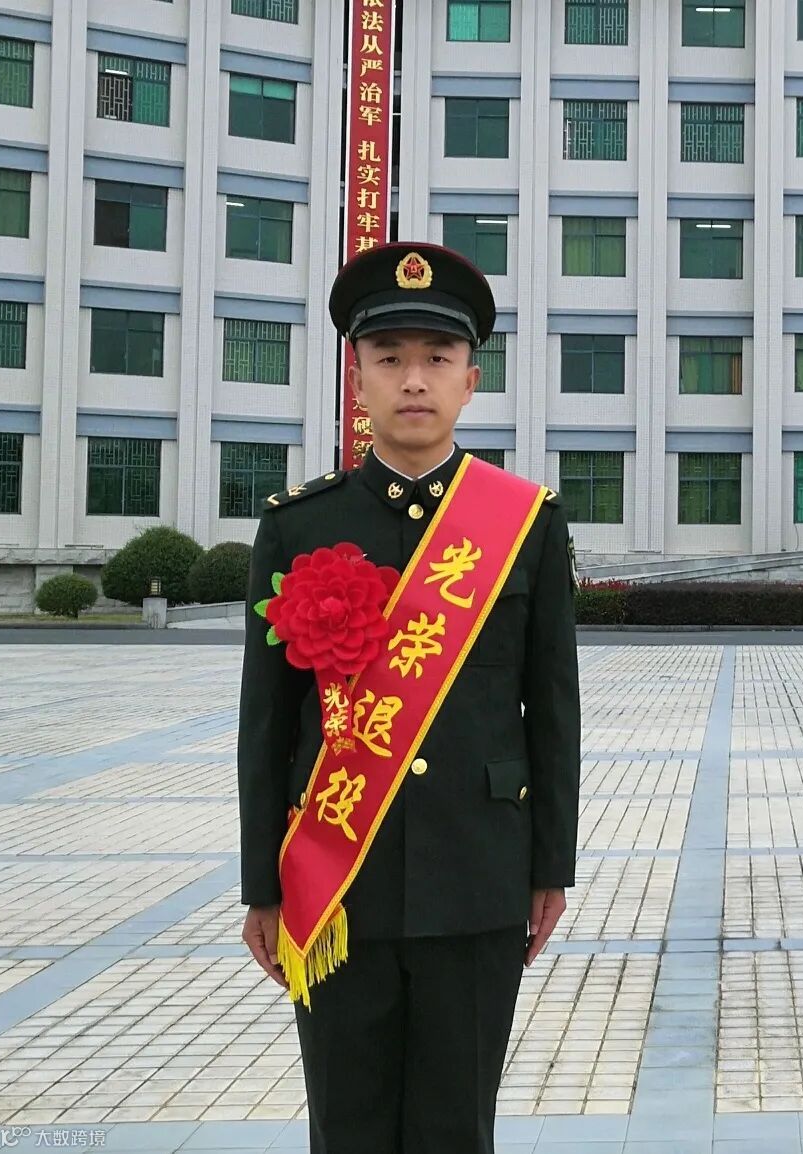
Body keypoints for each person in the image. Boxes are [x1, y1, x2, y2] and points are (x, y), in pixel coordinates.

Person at [238, 241, 580, 1154]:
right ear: (357, 380)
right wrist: (262, 885)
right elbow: (265, 725)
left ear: (472, 380)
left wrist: (549, 868)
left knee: (456, 1127)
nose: (414, 380)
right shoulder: (298, 527)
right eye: (389, 359)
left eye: (437, 358)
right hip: (335, 882)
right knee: (345, 1127)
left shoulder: (525, 524)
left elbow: (553, 710)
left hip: (479, 876)